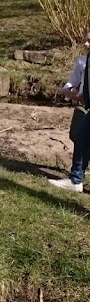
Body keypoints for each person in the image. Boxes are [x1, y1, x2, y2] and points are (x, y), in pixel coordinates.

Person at [49, 31, 90, 192]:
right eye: (85, 41)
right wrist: (71, 92)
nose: (86, 44)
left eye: (89, 41)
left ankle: (76, 178)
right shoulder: (83, 62)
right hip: (85, 105)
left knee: (82, 136)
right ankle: (76, 179)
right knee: (79, 136)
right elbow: (72, 83)